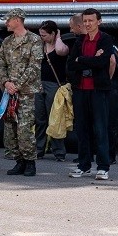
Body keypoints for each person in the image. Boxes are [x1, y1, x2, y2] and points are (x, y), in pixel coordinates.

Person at [66, 8, 114, 180]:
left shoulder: (105, 39)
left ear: (99, 21)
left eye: (91, 20)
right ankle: (83, 165)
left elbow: (102, 62)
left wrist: (82, 59)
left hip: (98, 90)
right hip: (80, 90)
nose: (87, 24)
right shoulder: (80, 40)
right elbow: (71, 64)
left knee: (100, 128)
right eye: (85, 21)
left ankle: (103, 167)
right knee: (82, 129)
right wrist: (91, 59)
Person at [0, 8, 43, 177]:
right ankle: (19, 161)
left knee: (24, 128)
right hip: (10, 93)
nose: (6, 23)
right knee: (10, 128)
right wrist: (6, 82)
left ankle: (30, 161)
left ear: (17, 20)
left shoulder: (34, 40)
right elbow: (1, 65)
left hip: (26, 93)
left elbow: (34, 67)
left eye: (8, 20)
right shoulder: (7, 42)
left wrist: (16, 85)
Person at [35, 20, 69, 161]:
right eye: (40, 34)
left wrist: (58, 37)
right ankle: (39, 149)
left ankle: (59, 152)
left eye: (44, 35)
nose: (41, 37)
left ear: (53, 33)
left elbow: (61, 51)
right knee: (39, 118)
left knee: (55, 119)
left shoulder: (61, 47)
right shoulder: (40, 47)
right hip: (39, 84)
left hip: (54, 85)